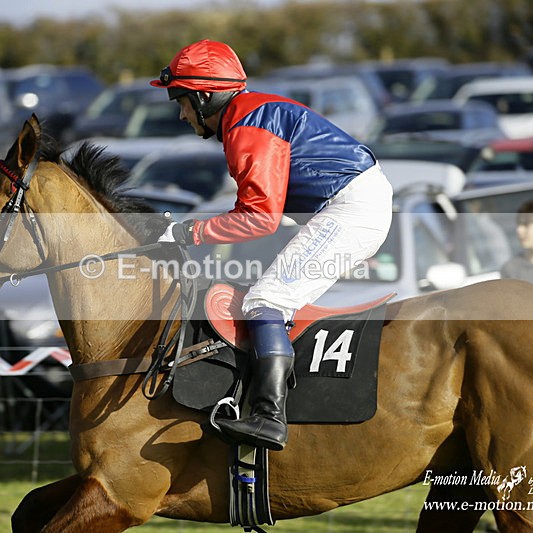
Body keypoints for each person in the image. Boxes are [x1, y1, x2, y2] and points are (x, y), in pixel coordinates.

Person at [150, 40, 393, 451]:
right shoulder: (248, 115)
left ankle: (268, 418)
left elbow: (260, 217)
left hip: (349, 208)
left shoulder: (246, 125)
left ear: (204, 95)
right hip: (346, 205)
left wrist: (189, 232)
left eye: (182, 101)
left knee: (266, 299)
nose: (181, 113)